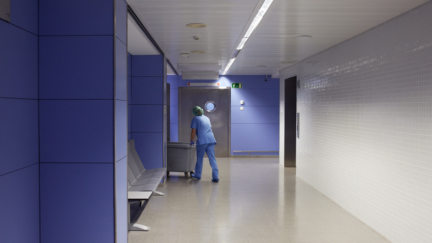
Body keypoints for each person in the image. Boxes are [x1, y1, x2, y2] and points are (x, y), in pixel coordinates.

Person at [189, 106, 219, 182]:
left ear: (194, 112)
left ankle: (197, 175)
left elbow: (193, 131)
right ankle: (216, 177)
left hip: (202, 141)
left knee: (199, 158)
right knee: (212, 159)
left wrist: (191, 140)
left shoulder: (195, 119)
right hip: (211, 139)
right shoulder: (206, 118)